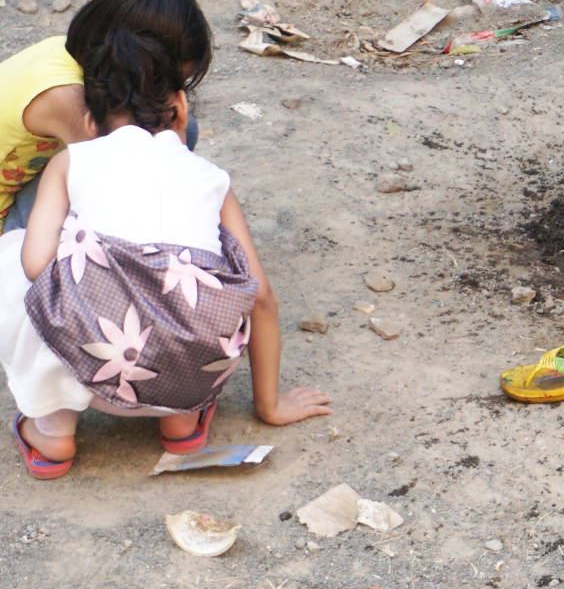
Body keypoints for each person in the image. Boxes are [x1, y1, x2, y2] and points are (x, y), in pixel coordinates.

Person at [0, 27, 332, 479]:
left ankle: (53, 429)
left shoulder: (71, 160)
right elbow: (261, 296)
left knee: (15, 254)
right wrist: (270, 405)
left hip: (88, 370)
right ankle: (181, 421)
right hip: (188, 376)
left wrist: (94, 263)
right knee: (203, 279)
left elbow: (35, 265)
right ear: (180, 107)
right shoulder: (212, 177)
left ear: (91, 123)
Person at [0, 0, 207, 234]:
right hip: (5, 221)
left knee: (176, 128)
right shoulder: (68, 98)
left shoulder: (78, 56)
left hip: (23, 185)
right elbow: (112, 186)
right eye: (166, 83)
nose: (171, 93)